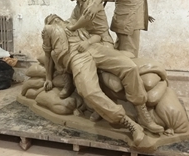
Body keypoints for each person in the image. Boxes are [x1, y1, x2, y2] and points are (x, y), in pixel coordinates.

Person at [60, 0, 163, 133]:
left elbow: (88, 27)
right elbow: (71, 22)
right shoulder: (77, 7)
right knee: (87, 84)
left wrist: (74, 30)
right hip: (86, 48)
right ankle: (99, 107)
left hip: (101, 43)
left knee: (129, 67)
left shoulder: (91, 3)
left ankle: (143, 114)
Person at [41, 14, 146, 145]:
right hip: (76, 55)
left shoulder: (74, 22)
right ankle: (130, 124)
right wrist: (48, 78)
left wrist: (88, 42)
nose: (53, 16)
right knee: (89, 91)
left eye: (55, 16)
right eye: (50, 17)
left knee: (129, 66)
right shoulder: (48, 29)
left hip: (93, 47)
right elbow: (47, 55)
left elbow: (97, 35)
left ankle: (142, 112)